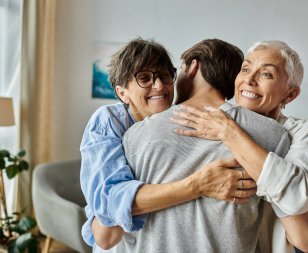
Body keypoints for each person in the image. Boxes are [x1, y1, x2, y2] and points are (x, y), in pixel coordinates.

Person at [96, 39, 308, 252]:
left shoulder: (136, 134)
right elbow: (302, 236)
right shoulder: (274, 135)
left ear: (192, 67)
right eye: (247, 70)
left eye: (174, 72)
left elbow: (107, 230)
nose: (165, 86)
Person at [80, 38, 256, 249]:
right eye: (144, 78)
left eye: (165, 75)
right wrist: (198, 185)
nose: (159, 85)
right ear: (122, 93)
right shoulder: (109, 120)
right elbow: (108, 228)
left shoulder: (180, 119)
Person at [171, 40, 308, 251]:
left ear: (290, 94)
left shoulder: (300, 132)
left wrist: (230, 133)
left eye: (266, 74)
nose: (249, 80)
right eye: (246, 69)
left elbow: (304, 236)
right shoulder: (210, 120)